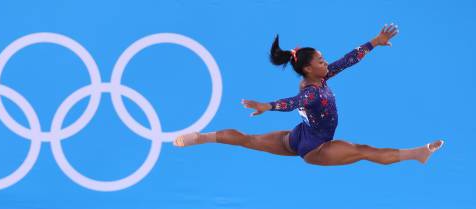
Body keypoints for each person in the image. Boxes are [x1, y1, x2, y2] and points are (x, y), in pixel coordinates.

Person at [173, 24, 444, 165]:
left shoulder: (322, 77)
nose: (326, 63)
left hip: (298, 136)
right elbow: (294, 103)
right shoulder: (312, 91)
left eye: (324, 58)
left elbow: (349, 59)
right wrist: (268, 106)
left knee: (248, 139)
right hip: (316, 147)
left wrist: (374, 42)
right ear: (307, 68)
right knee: (363, 151)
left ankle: (202, 137)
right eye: (320, 60)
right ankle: (417, 154)